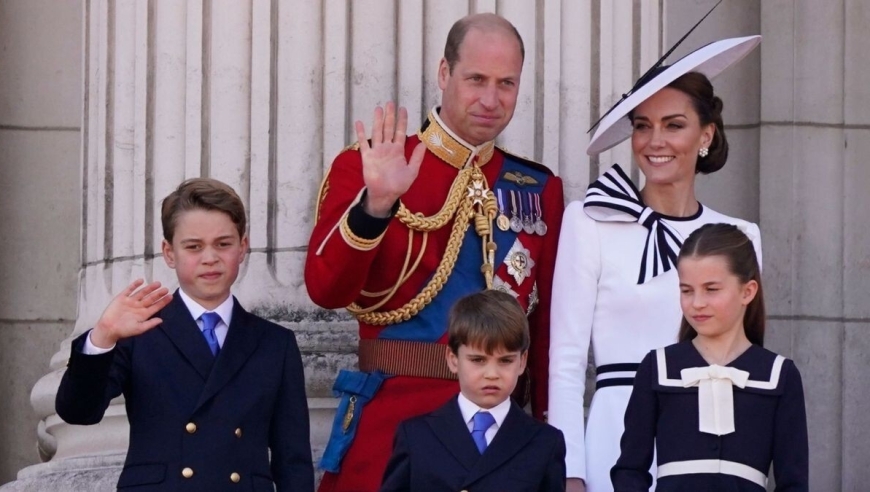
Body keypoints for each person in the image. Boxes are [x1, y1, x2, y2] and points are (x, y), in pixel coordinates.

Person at [306, 13, 564, 491]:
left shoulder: (537, 188)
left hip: (499, 440)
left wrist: (548, 434)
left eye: (506, 83)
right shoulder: (372, 163)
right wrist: (377, 203)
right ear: (445, 74)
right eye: (476, 80)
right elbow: (325, 288)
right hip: (390, 430)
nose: (491, 99)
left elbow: (545, 331)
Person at [547, 35, 764, 492]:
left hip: (712, 438)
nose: (654, 141)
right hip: (615, 437)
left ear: (706, 135)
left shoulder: (741, 237)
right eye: (643, 126)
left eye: (673, 124)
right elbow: (565, 361)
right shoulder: (589, 221)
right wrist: (570, 471)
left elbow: (749, 363)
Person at [55, 178, 314, 491]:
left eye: (223, 244)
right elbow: (78, 411)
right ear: (169, 252)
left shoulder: (275, 343)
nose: (209, 258)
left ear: (243, 247)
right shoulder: (139, 331)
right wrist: (102, 336)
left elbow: (293, 461)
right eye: (193, 246)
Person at [611, 223, 808, 490]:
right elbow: (629, 470)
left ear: (747, 291)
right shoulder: (657, 368)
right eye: (686, 290)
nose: (697, 303)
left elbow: (793, 482)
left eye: (711, 289)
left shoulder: (778, 375)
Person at [380, 290, 566, 491]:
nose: (492, 374)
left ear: (522, 362)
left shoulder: (545, 442)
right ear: (453, 360)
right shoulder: (416, 436)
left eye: (505, 361)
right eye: (478, 360)